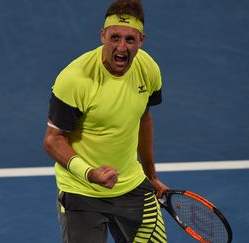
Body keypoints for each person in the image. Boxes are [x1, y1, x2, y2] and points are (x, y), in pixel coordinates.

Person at [43, 0, 169, 242]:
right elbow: (52, 140)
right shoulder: (74, 79)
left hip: (131, 186)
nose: (121, 47)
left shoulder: (148, 69)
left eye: (130, 40)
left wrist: (150, 175)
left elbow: (143, 118)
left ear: (141, 40)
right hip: (81, 191)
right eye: (115, 38)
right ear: (103, 36)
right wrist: (90, 173)